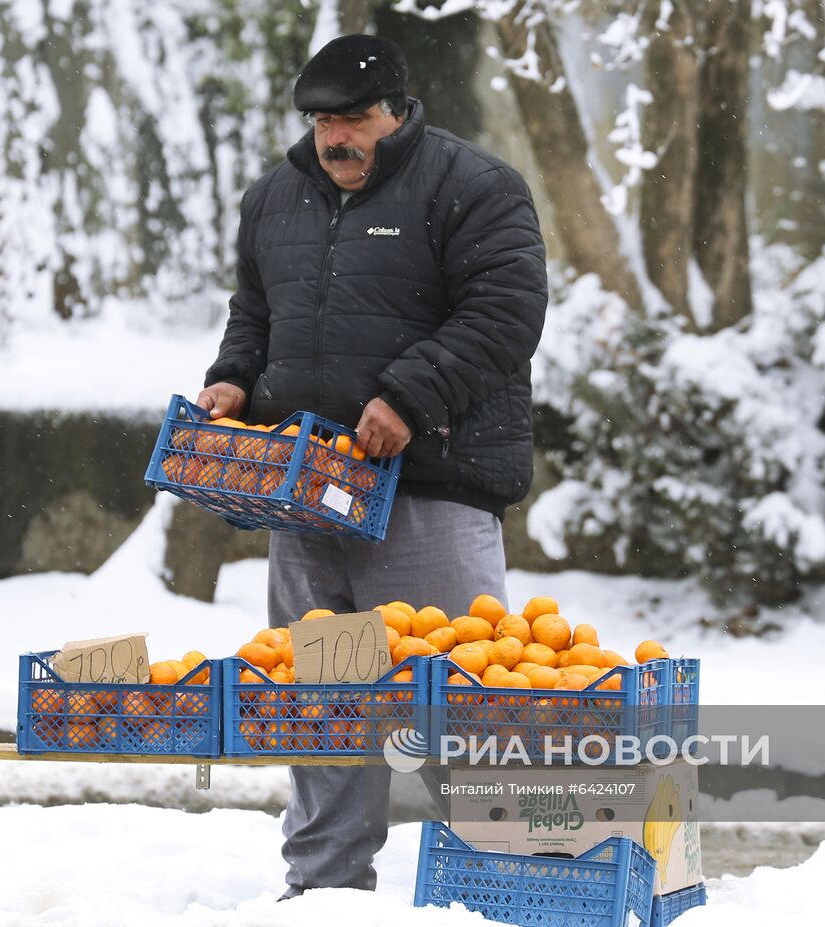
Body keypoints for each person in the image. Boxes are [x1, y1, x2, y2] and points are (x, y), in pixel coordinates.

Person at [197, 33, 548, 898]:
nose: (334, 138)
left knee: (459, 699)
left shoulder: (475, 189)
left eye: (351, 118)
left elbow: (507, 313)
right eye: (321, 122)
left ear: (397, 112)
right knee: (325, 700)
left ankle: (516, 882)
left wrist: (407, 398)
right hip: (310, 492)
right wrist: (232, 381)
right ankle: (322, 889)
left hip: (431, 489)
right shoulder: (273, 199)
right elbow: (255, 312)